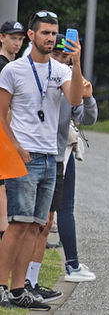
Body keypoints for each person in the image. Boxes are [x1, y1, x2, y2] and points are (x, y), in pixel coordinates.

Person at [0, 10, 83, 310]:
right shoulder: (13, 71)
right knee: (17, 224)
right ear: (31, 36)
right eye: (45, 33)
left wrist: (77, 62)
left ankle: (19, 289)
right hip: (26, 156)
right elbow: (1, 113)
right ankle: (0, 286)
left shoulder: (60, 70)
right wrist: (17, 148)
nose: (50, 38)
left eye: (54, 33)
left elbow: (75, 100)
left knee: (36, 227)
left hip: (51, 156)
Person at [28, 34, 98, 304]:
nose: (61, 62)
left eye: (66, 58)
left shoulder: (70, 78)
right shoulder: (33, 74)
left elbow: (87, 117)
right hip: (35, 155)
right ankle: (24, 282)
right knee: (31, 223)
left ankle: (40, 277)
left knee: (48, 222)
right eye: (57, 56)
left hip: (61, 156)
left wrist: (88, 97)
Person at [0, 21, 25, 240]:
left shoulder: (14, 66)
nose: (16, 43)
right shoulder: (3, 67)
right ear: (2, 38)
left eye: (20, 39)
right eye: (12, 38)